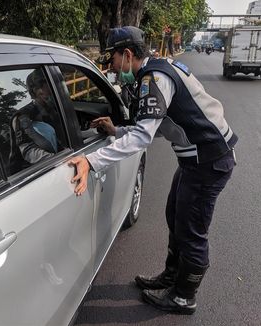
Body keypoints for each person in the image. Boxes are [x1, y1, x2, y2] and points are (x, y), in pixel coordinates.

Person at [69, 26, 237, 314]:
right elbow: (159, 125)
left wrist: (91, 160)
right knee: (175, 215)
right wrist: (117, 130)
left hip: (207, 161)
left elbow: (144, 136)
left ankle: (184, 296)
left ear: (128, 54)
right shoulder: (159, 69)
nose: (112, 67)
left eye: (113, 60)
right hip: (196, 159)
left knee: (191, 229)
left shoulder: (154, 78)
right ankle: (172, 276)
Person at [9, 68, 63, 167]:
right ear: (37, 91)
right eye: (50, 87)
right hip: (31, 172)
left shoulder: (53, 108)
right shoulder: (23, 116)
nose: (55, 91)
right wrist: (60, 161)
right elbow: (29, 151)